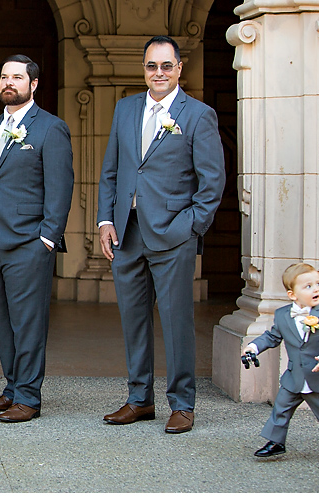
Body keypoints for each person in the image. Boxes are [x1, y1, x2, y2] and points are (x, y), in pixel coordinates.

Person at [97, 35, 225, 433]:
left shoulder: (198, 115)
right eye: (152, 66)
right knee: (133, 320)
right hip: (127, 235)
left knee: (176, 321)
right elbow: (112, 171)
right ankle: (139, 400)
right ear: (144, 69)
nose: (159, 74)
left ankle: (182, 404)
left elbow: (212, 183)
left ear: (179, 69)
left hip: (173, 236)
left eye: (166, 66)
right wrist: (105, 220)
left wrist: (189, 229)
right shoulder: (125, 109)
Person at [0, 54, 74, 423]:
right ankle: (12, 388)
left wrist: (47, 238)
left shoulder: (50, 128)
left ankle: (29, 396)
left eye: (17, 77)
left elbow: (60, 187)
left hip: (29, 243)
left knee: (28, 323)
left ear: (33, 84)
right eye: (4, 76)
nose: (9, 83)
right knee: (3, 322)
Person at [244, 263, 319, 465]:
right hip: (294, 377)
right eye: (308, 286)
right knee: (281, 408)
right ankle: (276, 442)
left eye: (318, 284)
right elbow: (272, 337)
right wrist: (254, 347)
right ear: (293, 295)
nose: (316, 289)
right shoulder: (283, 315)